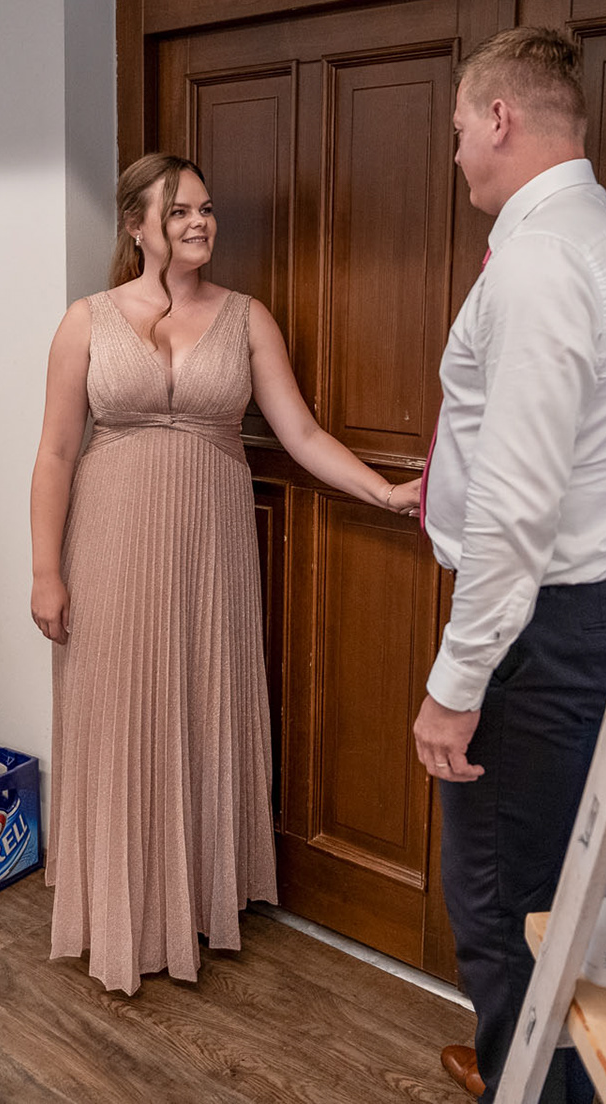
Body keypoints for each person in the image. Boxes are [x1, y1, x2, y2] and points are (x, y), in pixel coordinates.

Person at [30, 152, 417, 995]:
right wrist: (45, 572)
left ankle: (195, 903)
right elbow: (56, 453)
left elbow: (302, 435)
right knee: (119, 710)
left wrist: (386, 492)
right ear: (136, 227)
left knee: (202, 703)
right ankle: (123, 913)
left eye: (205, 208)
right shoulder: (85, 321)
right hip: (110, 540)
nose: (199, 223)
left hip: (212, 548)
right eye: (178, 212)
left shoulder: (247, 318)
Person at [410, 28, 606, 1103]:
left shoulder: (541, 260)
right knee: (547, 894)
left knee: (505, 905)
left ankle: (530, 1085)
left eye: (459, 129)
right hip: (583, 609)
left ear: (500, 117)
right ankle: (520, 1070)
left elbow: (518, 508)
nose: (456, 153)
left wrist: (455, 683)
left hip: (539, 631)